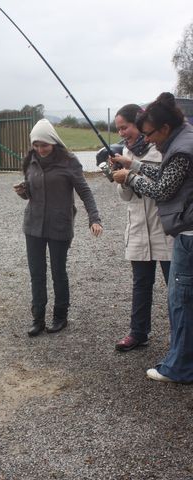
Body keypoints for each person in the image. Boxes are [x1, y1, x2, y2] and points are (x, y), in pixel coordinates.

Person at [111, 92, 193, 383]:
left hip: (179, 233)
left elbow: (163, 189)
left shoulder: (179, 149)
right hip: (152, 231)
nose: (149, 140)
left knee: (181, 298)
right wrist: (128, 168)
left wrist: (130, 176)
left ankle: (180, 361)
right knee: (158, 290)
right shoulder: (179, 140)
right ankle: (146, 336)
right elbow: (154, 178)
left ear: (163, 129)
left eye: (148, 133)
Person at [14, 118, 102, 337]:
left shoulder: (69, 162)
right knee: (37, 273)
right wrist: (23, 191)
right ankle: (38, 318)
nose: (40, 149)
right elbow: (31, 194)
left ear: (54, 142)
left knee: (58, 272)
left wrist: (94, 218)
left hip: (59, 225)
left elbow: (85, 192)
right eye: (36, 145)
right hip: (33, 225)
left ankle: (60, 316)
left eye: (44, 144)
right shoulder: (30, 160)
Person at [112, 104, 173, 352]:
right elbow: (126, 197)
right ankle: (138, 333)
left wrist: (132, 172)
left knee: (176, 287)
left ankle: (180, 336)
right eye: (118, 130)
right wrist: (121, 178)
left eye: (124, 127)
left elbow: (166, 183)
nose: (122, 133)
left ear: (140, 124)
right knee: (141, 284)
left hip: (164, 228)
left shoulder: (162, 148)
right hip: (138, 227)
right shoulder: (125, 150)